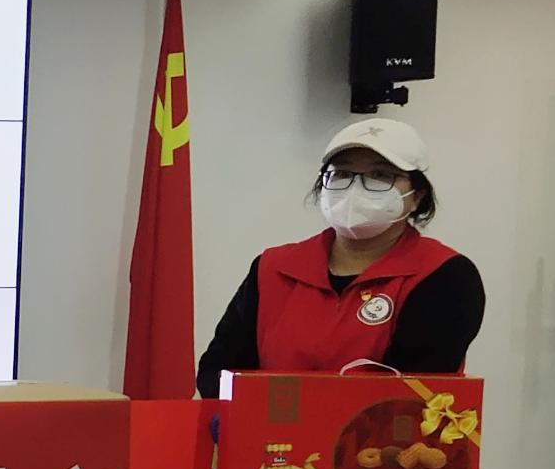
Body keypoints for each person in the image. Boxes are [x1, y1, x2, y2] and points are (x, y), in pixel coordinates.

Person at [196, 116, 483, 394]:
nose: (356, 189)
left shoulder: (444, 275)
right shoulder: (273, 267)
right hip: (264, 427)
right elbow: (217, 373)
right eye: (342, 174)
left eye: (380, 175)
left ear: (417, 196)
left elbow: (408, 393)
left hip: (380, 430)